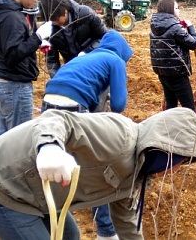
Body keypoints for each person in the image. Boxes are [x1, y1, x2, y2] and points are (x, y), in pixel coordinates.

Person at [0, 107, 196, 240]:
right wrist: (49, 147)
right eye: (180, 161)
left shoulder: (136, 175)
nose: (176, 170)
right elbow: (56, 118)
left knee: (70, 237)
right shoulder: (119, 137)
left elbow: (127, 222)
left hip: (38, 194)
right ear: (165, 150)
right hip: (2, 184)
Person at [40, 30, 132, 240]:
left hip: (48, 104)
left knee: (58, 164)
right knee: (97, 168)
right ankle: (106, 233)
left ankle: (52, 221)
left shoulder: (86, 57)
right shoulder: (115, 60)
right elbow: (119, 105)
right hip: (73, 107)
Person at [0, 0, 48, 137]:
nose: (36, 1)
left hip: (0, 81)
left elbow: (8, 45)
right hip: (13, 85)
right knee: (19, 139)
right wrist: (37, 38)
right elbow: (12, 55)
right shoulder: (11, 17)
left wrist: (35, 42)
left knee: (3, 137)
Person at [39, 0, 107, 77]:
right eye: (51, 21)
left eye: (56, 20)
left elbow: (104, 37)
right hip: (74, 70)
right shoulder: (49, 29)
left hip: (96, 64)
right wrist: (57, 78)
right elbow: (51, 60)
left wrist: (86, 52)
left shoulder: (86, 14)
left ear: (65, 12)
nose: (54, 23)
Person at [150, 0, 196, 110]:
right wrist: (191, 27)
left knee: (171, 104)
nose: (179, 10)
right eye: (176, 8)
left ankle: (169, 121)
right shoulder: (175, 27)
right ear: (169, 10)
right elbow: (193, 44)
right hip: (177, 73)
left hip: (163, 72)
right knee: (189, 107)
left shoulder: (154, 27)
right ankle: (190, 122)